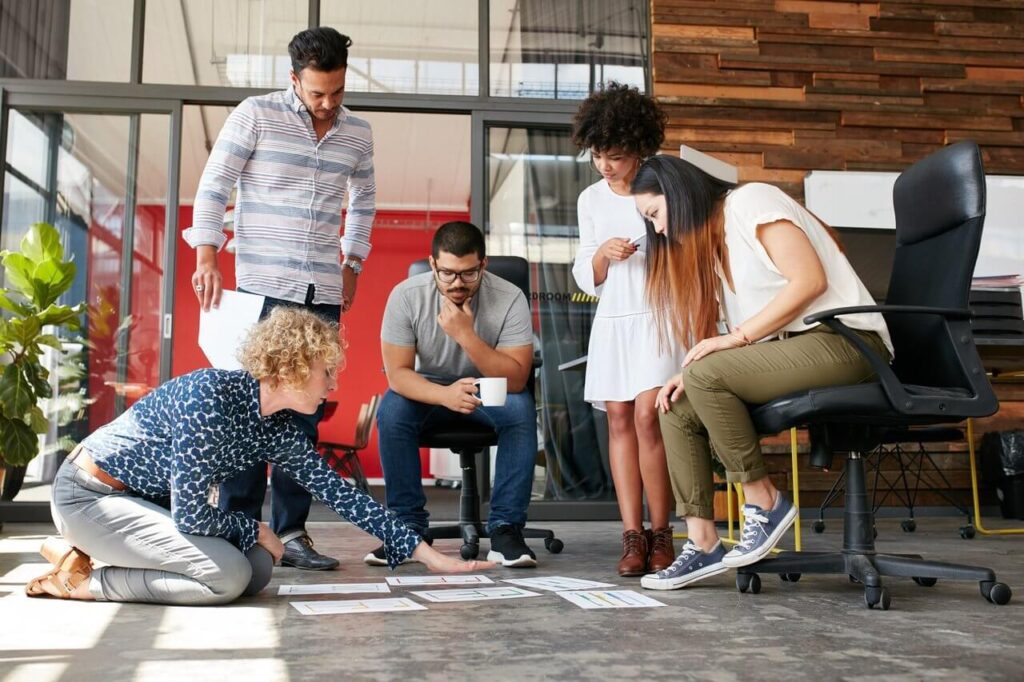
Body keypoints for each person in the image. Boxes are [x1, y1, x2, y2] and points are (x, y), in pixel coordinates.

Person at [25, 308, 491, 604]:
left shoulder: (279, 428)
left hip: (144, 506)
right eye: (326, 372)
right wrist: (259, 528)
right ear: (290, 367)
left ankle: (84, 556)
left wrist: (429, 556)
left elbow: (343, 495)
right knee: (228, 576)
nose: (333, 384)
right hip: (89, 495)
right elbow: (190, 514)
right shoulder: (210, 397)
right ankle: (83, 582)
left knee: (259, 570)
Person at [630, 155, 893, 591]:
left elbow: (809, 281)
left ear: (678, 193)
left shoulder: (750, 202)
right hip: (801, 351)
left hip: (849, 344)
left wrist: (730, 344)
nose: (658, 230)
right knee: (676, 405)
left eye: (655, 214)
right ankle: (702, 541)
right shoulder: (714, 251)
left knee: (706, 375)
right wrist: (692, 371)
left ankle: (764, 501)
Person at [185, 27, 376, 570]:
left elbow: (363, 199)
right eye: (317, 93)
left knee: (305, 414)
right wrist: (206, 254)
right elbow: (215, 183)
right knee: (249, 409)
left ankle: (293, 533)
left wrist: (353, 261)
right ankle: (240, 528)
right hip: (261, 289)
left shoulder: (357, 134)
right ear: (294, 80)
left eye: (337, 92)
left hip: (321, 289)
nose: (327, 103)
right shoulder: (255, 114)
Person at [370, 221, 539, 568]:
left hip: (487, 384)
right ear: (432, 264)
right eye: (447, 273)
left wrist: (466, 336)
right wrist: (444, 395)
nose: (457, 284)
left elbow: (518, 378)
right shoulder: (406, 296)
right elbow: (399, 375)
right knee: (391, 412)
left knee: (520, 409)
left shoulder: (510, 298)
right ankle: (407, 529)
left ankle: (506, 529)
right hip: (430, 387)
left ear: (483, 265)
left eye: (467, 274)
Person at [570, 83, 683, 577]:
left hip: (658, 315)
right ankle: (632, 536)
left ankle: (663, 533)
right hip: (614, 318)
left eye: (615, 156)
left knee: (646, 418)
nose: (605, 166)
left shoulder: (663, 184)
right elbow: (583, 271)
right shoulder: (590, 199)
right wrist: (602, 256)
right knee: (617, 418)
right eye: (598, 155)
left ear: (640, 148)